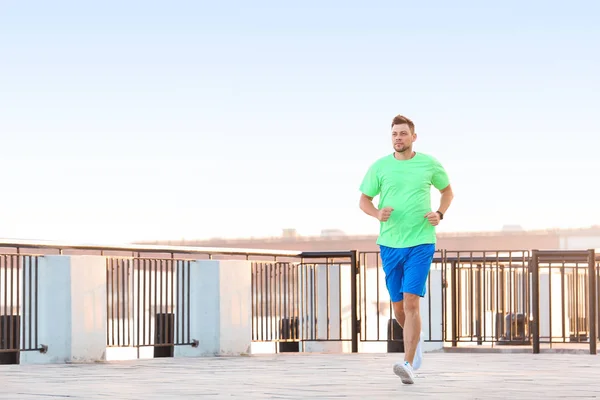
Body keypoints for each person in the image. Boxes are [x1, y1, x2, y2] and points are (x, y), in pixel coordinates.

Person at [358, 114, 453, 384]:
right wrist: (377, 213)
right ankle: (415, 340)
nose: (398, 138)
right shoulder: (380, 167)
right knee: (399, 308)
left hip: (421, 241)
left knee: (412, 303)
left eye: (403, 133)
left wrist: (440, 213)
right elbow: (363, 200)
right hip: (389, 244)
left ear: (414, 136)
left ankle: (408, 363)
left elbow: (448, 192)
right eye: (394, 134)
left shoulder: (429, 164)